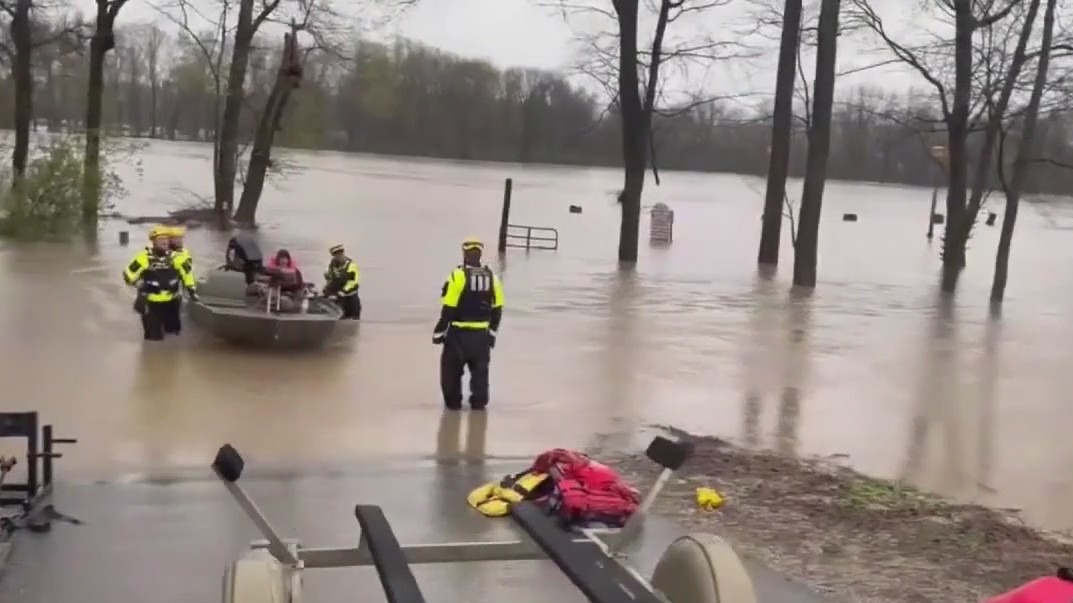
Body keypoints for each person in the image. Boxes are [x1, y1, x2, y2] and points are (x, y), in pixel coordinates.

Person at [432, 236, 504, 410]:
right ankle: (479, 406)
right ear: (480, 255)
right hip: (481, 336)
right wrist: (492, 334)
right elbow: (498, 308)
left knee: (451, 374)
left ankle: (454, 405)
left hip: (458, 334)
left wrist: (439, 332)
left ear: (464, 254)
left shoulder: (458, 276)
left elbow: (448, 308)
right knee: (480, 373)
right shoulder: (492, 276)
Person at [123, 226, 195, 341]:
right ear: (153, 241)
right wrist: (138, 285)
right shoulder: (144, 257)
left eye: (166, 239)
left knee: (173, 337)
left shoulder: (176, 257)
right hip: (151, 305)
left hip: (172, 303)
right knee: (154, 340)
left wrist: (191, 289)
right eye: (161, 239)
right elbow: (128, 274)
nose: (164, 241)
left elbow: (187, 273)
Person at [163, 225, 195, 335]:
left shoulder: (184, 253)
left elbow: (188, 273)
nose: (180, 240)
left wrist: (191, 288)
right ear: (170, 239)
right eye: (177, 238)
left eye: (181, 238)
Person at [323, 244, 361, 319]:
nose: (338, 257)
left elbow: (352, 282)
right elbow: (330, 279)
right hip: (337, 297)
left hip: (350, 297)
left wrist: (342, 291)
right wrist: (327, 291)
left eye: (340, 254)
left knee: (353, 319)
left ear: (343, 253)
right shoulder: (331, 266)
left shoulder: (351, 265)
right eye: (336, 255)